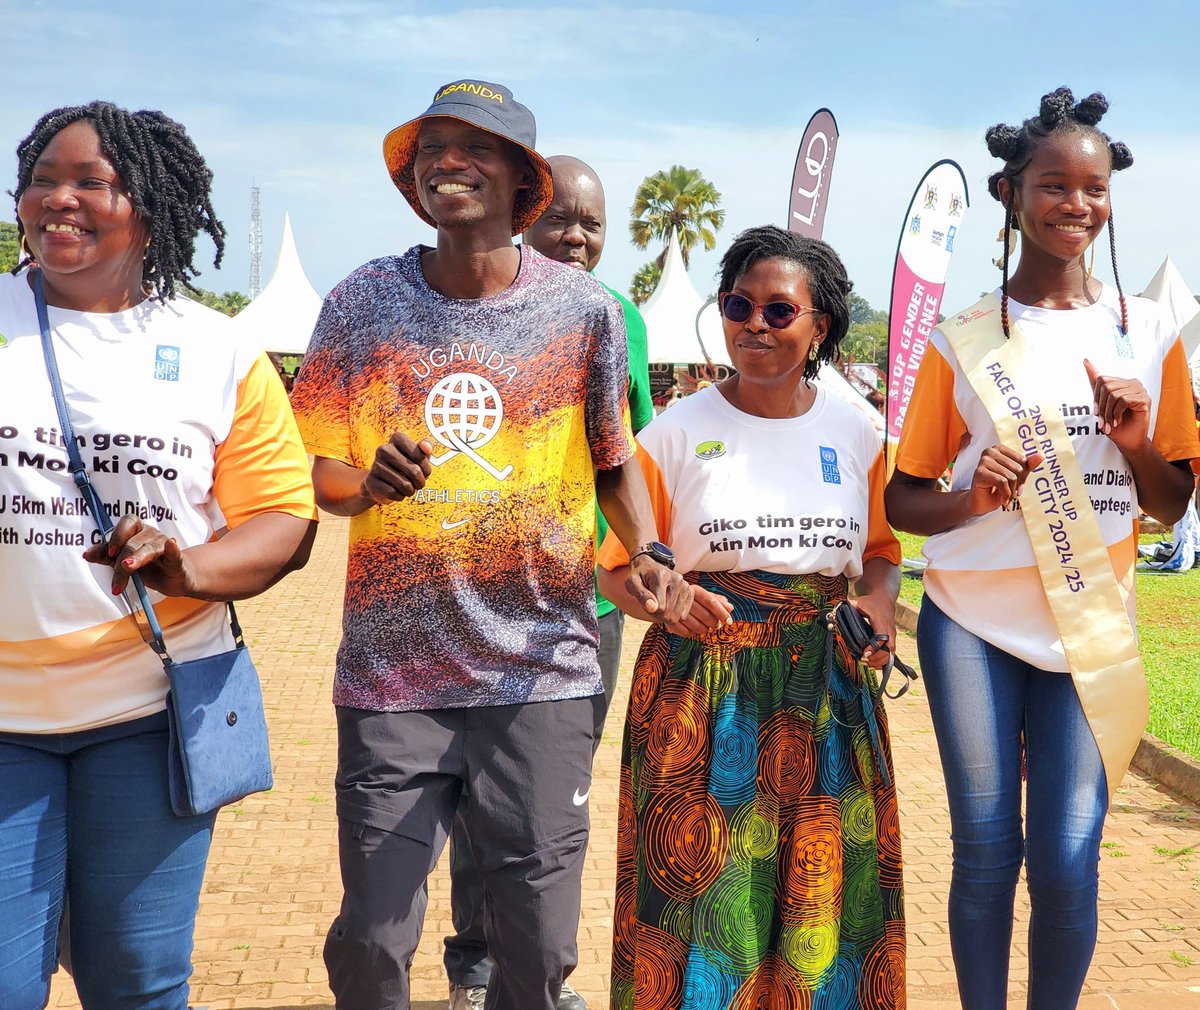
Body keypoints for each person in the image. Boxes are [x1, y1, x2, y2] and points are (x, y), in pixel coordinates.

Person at [288, 79, 691, 1010]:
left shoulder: (585, 312)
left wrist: (650, 551)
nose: (447, 162)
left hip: (542, 668)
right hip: (394, 675)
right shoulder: (361, 303)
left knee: (537, 947)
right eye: (431, 148)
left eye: (474, 147)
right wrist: (367, 484)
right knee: (373, 938)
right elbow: (311, 470)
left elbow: (613, 461)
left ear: (521, 180)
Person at [885, 88, 1200, 1010]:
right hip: (970, 623)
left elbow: (1173, 501)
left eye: (1094, 189)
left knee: (1068, 856)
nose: (1076, 204)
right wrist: (970, 497)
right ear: (1010, 193)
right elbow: (904, 501)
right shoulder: (962, 338)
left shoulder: (1148, 333)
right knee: (987, 849)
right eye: (1054, 184)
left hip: (1088, 628)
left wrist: (1136, 443)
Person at [0, 101, 318, 1010]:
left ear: (149, 204)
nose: (57, 200)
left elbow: (282, 518)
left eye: (90, 182)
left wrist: (188, 570)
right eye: (41, 181)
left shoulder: (217, 349)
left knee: (136, 980)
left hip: (147, 712)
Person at [598, 225, 906, 1009]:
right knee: (703, 909)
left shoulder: (857, 433)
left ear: (820, 327)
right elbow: (615, 569)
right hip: (703, 690)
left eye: (779, 310)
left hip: (826, 690)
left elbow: (880, 552)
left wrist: (877, 603)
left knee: (822, 910)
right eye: (739, 306)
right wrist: (664, 603)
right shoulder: (673, 434)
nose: (755, 326)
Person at [441, 154, 654, 1010]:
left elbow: (628, 455)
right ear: (526, 215)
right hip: (484, 600)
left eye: (591, 224)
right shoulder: (476, 305)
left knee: (550, 798)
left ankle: (536, 975)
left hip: (586, 604)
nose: (575, 236)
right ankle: (474, 963)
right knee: (478, 790)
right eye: (560, 217)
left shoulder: (619, 318)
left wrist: (643, 556)